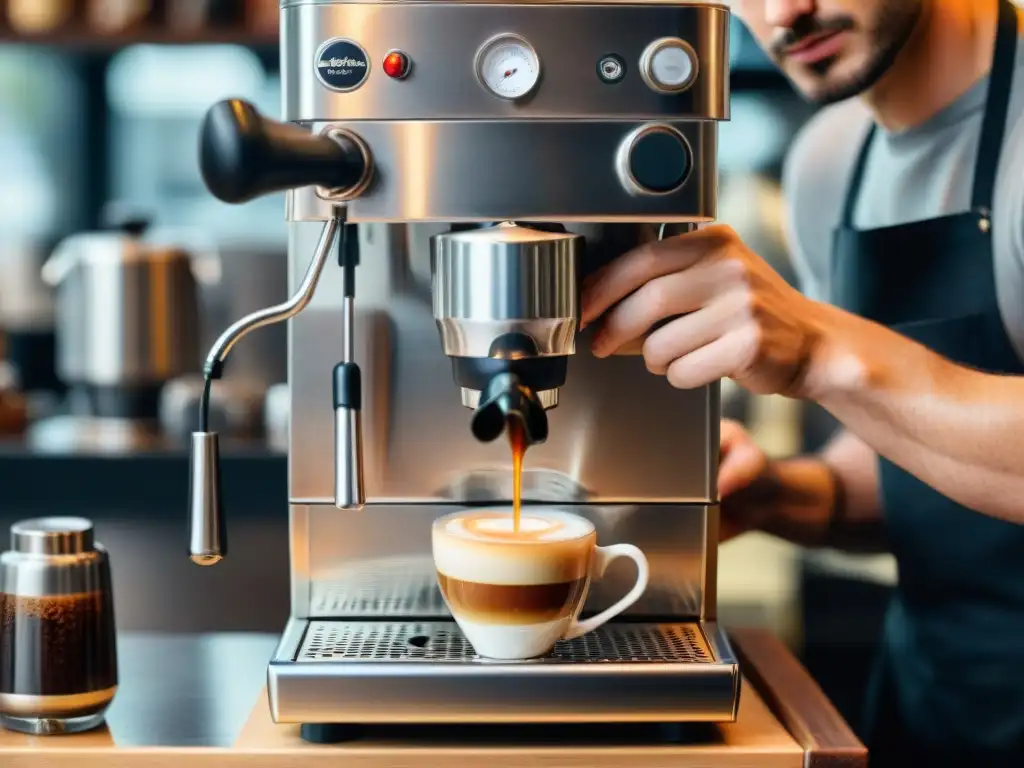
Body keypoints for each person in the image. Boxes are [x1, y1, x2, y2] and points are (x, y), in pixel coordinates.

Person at [580, 0, 1024, 764]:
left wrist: (818, 348)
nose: (783, 12)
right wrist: (777, 493)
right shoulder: (830, 159)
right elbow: (922, 469)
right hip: (932, 703)